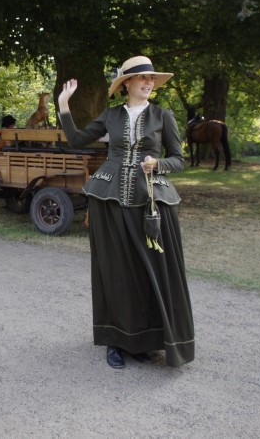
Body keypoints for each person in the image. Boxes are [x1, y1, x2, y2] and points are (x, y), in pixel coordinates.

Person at [57, 56, 194, 369]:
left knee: (150, 272)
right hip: (110, 202)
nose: (148, 83)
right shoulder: (112, 115)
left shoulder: (163, 116)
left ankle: (145, 340)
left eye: (151, 79)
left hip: (151, 205)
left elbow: (179, 159)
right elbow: (76, 140)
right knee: (116, 272)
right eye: (142, 78)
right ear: (127, 84)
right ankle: (116, 341)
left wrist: (158, 164)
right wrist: (64, 104)